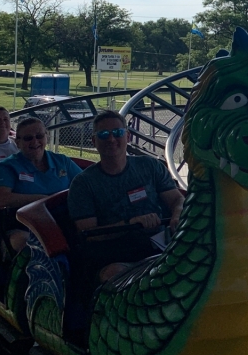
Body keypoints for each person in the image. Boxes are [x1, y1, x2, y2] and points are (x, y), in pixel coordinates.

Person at [68, 110, 183, 284]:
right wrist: (131, 224)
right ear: (94, 141)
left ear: (127, 136)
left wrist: (177, 214)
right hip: (112, 252)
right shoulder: (83, 184)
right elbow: (88, 232)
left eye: (118, 133)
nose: (111, 139)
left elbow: (176, 199)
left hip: (158, 242)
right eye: (104, 134)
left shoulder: (150, 166)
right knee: (115, 274)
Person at [0, 117, 82, 251]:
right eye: (28, 138)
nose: (35, 141)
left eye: (39, 136)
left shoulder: (62, 161)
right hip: (23, 224)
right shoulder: (8, 166)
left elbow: (86, 185)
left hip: (64, 220)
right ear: (18, 142)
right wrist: (40, 200)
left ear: (46, 137)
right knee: (32, 246)